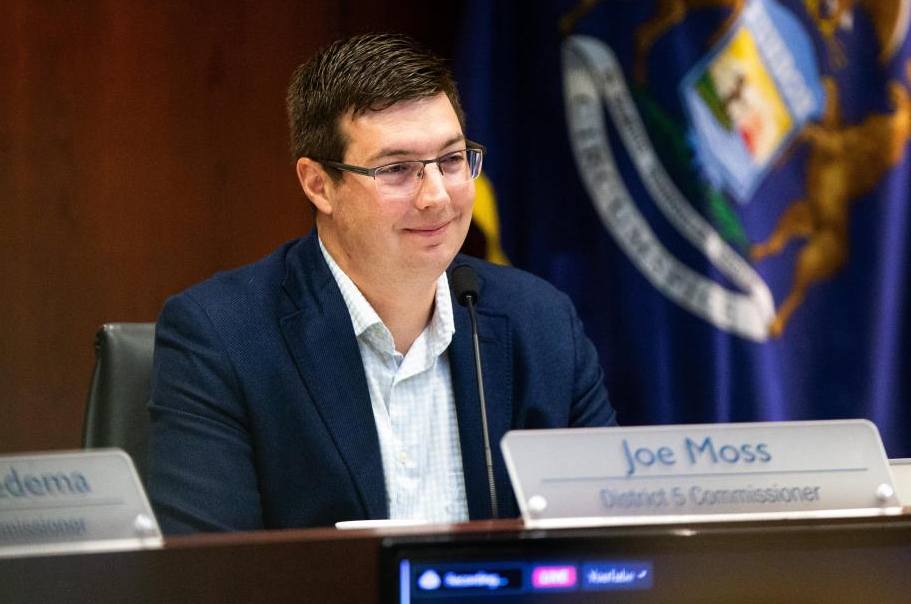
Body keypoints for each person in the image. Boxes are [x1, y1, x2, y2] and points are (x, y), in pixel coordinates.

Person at [147, 33, 616, 534]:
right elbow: (212, 576)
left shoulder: (542, 322)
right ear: (319, 184)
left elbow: (614, 542)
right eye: (397, 170)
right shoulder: (221, 338)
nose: (437, 196)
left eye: (452, 160)